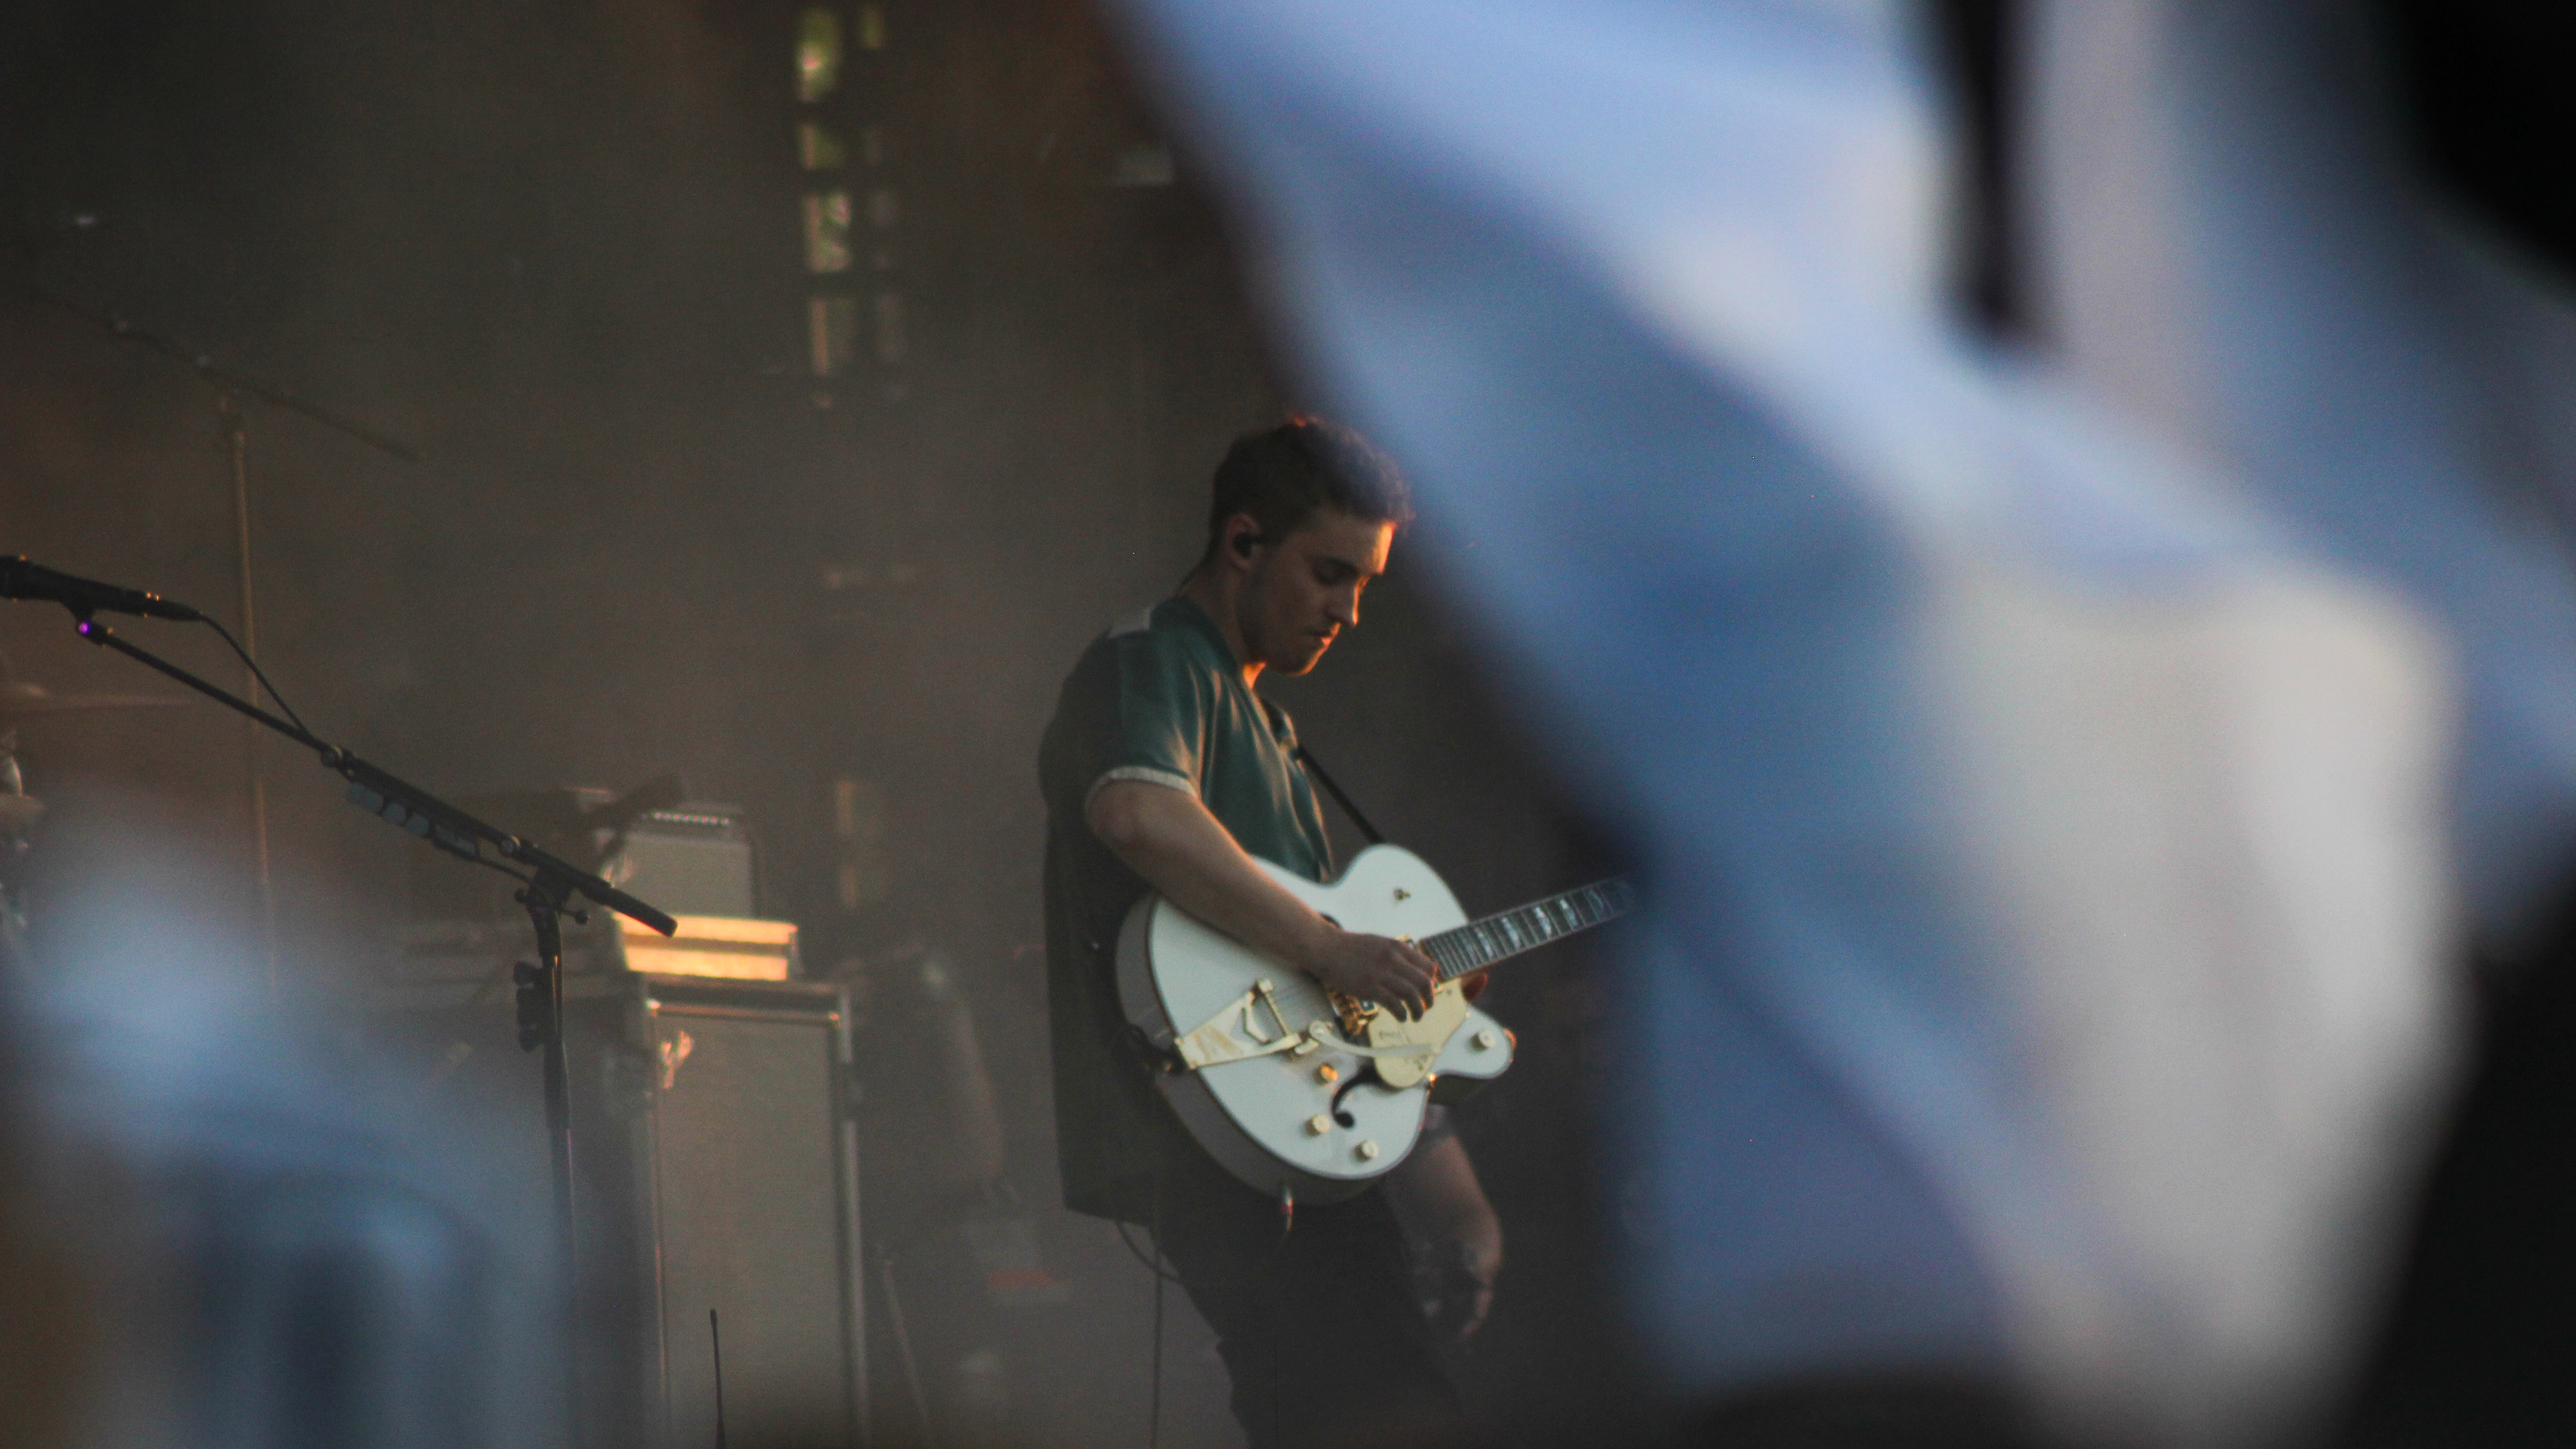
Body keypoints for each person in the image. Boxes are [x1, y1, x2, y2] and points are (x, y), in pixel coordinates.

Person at [1038, 417, 1486, 1449]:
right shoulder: (1155, 658)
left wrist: (1460, 1203)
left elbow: (1338, 1011)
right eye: (1331, 574)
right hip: (1208, 1128)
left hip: (1289, 1137)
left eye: (1365, 585)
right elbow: (1136, 812)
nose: (1348, 612)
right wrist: (1330, 948)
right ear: (1244, 542)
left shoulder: (1277, 738)